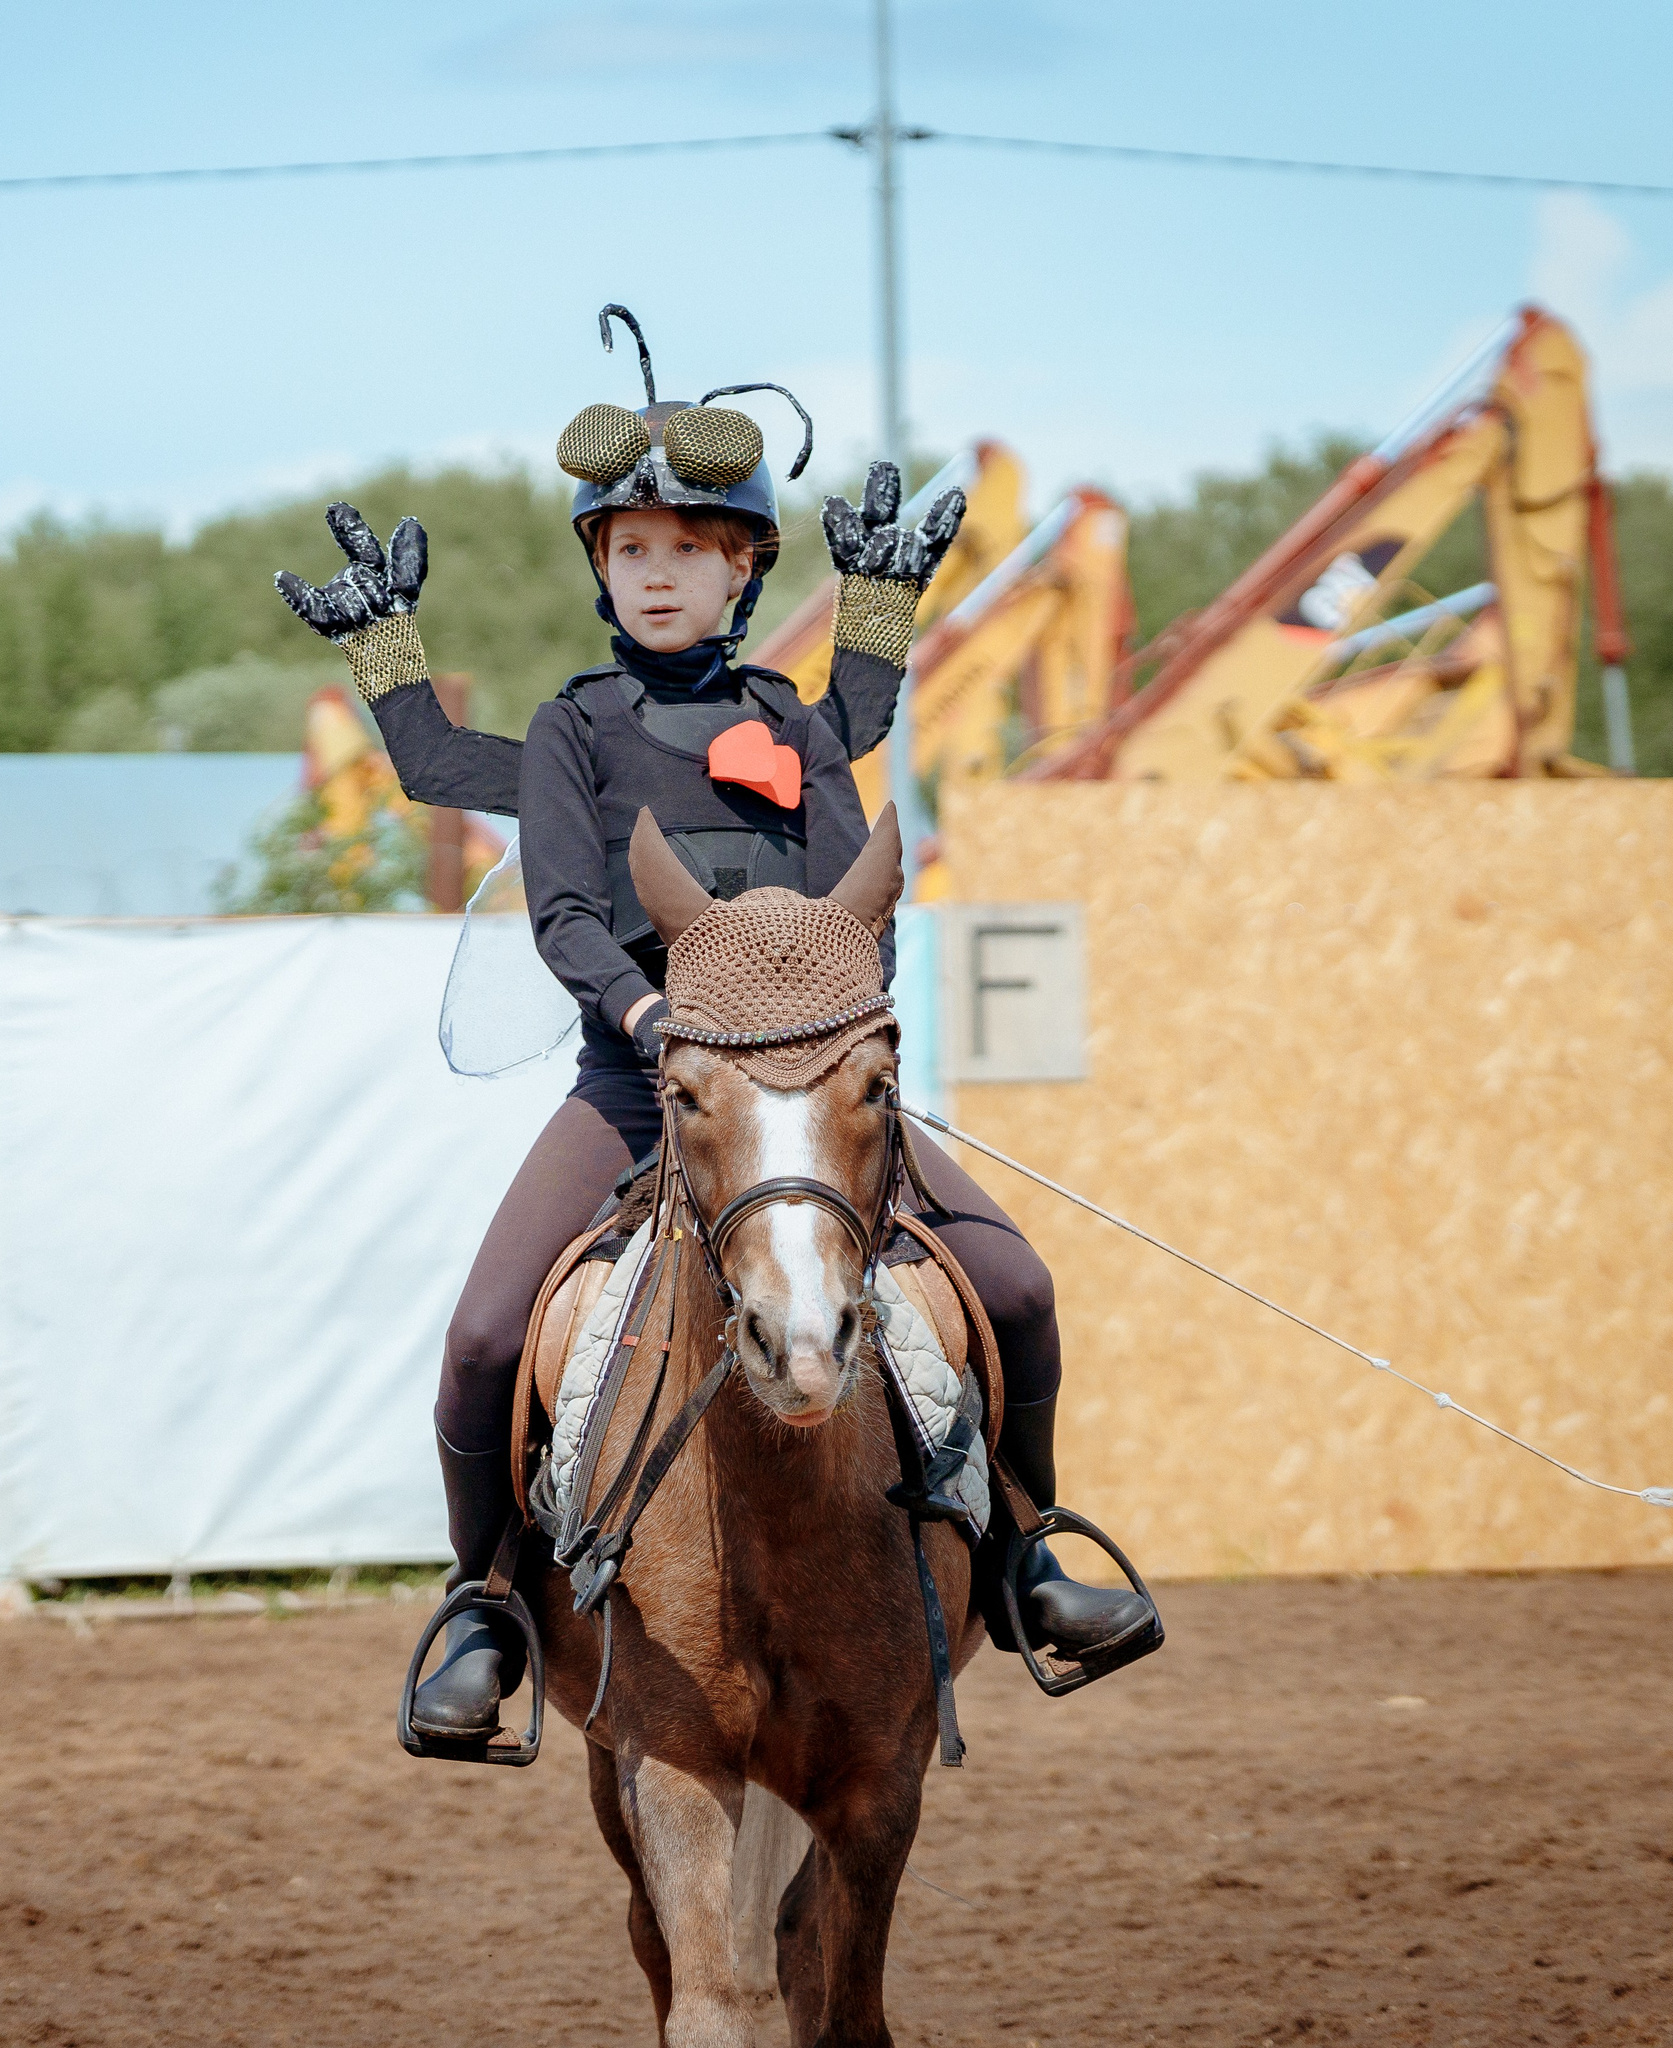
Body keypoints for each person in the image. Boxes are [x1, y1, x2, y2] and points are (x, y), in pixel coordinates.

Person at [275, 308, 1151, 1744]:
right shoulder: (570, 731)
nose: (656, 575)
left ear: (745, 570)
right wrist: (645, 1013)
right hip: (639, 1093)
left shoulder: (798, 728)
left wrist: (825, 1054)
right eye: (630, 552)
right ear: (602, 573)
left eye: (689, 549)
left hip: (805, 1101)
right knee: (489, 1338)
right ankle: (485, 1604)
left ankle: (1026, 1549)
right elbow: (562, 913)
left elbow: (851, 905)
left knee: (1023, 1293)